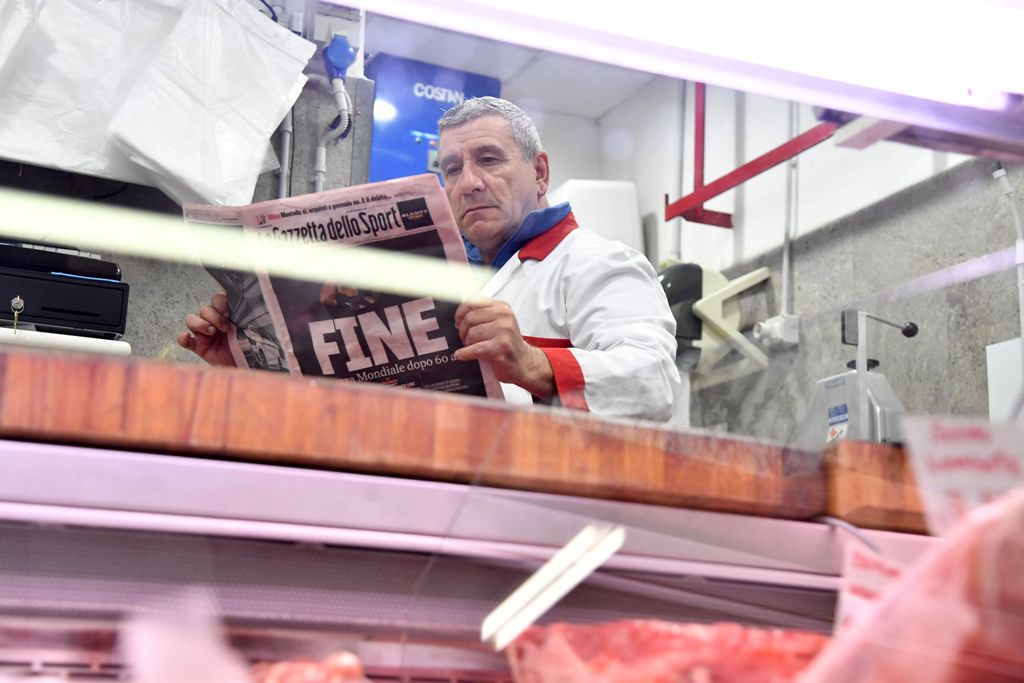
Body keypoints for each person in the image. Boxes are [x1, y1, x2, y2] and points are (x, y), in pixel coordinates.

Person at [178, 97, 679, 421]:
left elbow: (653, 379)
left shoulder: (597, 263)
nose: (469, 183)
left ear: (540, 171)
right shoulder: (436, 278)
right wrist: (251, 365)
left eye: (489, 159)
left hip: (548, 528)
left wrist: (533, 363)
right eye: (453, 168)